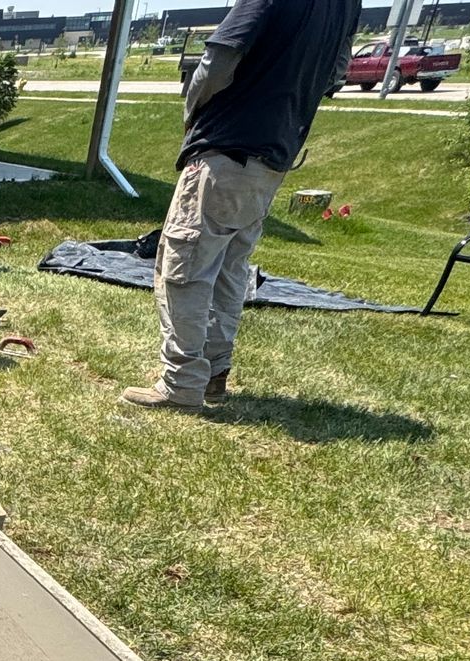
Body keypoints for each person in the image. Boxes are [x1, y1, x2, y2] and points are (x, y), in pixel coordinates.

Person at [122, 0, 359, 410]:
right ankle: (215, 373)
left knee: (186, 268)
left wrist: (192, 111)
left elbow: (218, 60)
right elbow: (337, 69)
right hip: (274, 156)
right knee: (230, 269)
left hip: (225, 150)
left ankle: (181, 383)